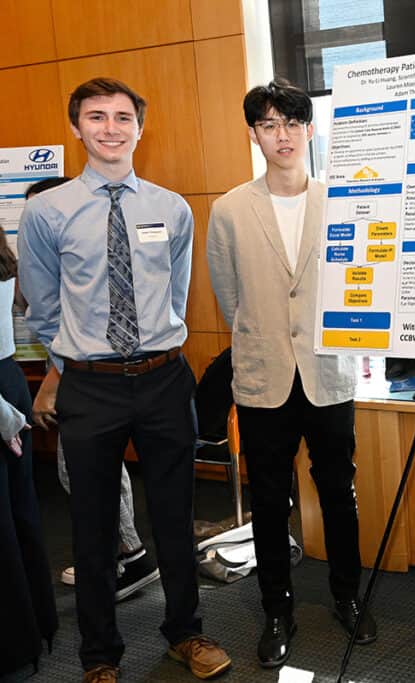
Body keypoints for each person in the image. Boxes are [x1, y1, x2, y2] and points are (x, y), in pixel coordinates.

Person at [18, 77, 231, 682]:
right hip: (90, 385)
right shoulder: (45, 211)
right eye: (95, 117)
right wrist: (69, 362)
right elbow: (42, 302)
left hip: (165, 381)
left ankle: (185, 633)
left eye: (121, 117)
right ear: (76, 126)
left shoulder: (171, 207)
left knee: (173, 513)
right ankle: (99, 656)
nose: (109, 128)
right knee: (92, 524)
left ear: (140, 127)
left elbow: (177, 294)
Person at [206, 78, 375, 669]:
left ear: (310, 129)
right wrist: (264, 338)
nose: (283, 135)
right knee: (270, 499)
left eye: (293, 123)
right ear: (254, 133)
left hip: (328, 374)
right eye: (270, 124)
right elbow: (231, 299)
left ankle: (347, 597)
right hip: (263, 377)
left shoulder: (343, 200)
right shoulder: (228, 209)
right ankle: (277, 609)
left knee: (339, 492)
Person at [26, 176, 159, 602]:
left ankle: (130, 553)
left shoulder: (95, 253)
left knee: (86, 469)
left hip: (90, 380)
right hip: (78, 376)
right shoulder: (53, 260)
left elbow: (78, 330)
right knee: (85, 472)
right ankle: (118, 551)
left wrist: (53, 380)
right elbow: (50, 321)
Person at [0, 219, 58, 677]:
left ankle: (14, 646)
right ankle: (34, 629)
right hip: (9, 382)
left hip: (1, 400)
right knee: (20, 515)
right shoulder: (4, 250)